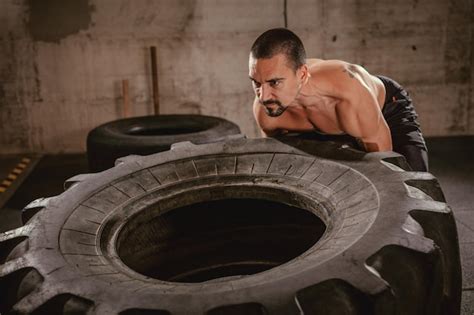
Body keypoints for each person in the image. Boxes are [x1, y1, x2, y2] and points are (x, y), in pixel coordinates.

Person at [249, 28, 429, 171]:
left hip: (386, 109)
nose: (263, 97)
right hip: (328, 128)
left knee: (417, 187)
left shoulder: (348, 93)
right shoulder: (267, 111)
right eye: (256, 83)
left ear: (302, 75)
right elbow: (278, 164)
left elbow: (386, 169)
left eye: (275, 82)